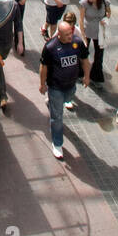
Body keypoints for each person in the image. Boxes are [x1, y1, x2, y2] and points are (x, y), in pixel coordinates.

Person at [40, 18, 90, 160]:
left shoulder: (77, 43)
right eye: (67, 34)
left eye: (71, 33)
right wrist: (42, 84)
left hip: (71, 86)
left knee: (67, 99)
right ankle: (57, 144)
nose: (70, 36)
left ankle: (52, 103)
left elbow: (85, 60)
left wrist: (87, 76)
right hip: (55, 86)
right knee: (57, 118)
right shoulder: (50, 47)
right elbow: (44, 67)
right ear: (59, 34)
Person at [79, 0, 110, 85]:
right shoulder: (85, 3)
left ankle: (96, 77)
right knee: (83, 52)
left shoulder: (105, 2)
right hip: (87, 29)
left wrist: (105, 19)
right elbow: (81, 19)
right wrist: (83, 34)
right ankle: (79, 73)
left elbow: (108, 12)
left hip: (99, 31)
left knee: (99, 55)